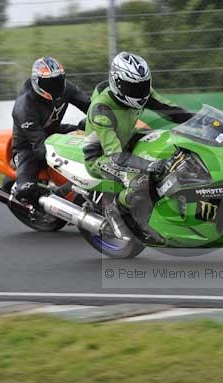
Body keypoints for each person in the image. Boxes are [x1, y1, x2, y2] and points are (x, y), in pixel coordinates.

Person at [83, 51, 194, 241]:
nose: (140, 92)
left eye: (143, 85)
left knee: (171, 145)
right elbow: (115, 156)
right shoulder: (101, 109)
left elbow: (171, 111)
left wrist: (199, 122)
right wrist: (149, 166)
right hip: (103, 157)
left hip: (128, 140)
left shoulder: (141, 92)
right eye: (133, 87)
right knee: (141, 181)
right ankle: (117, 211)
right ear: (117, 83)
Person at [11, 56, 91, 202]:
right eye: (48, 83)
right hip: (29, 146)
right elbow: (40, 146)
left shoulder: (66, 88)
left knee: (87, 130)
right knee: (25, 191)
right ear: (36, 82)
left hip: (55, 132)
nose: (54, 86)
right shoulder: (24, 107)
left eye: (58, 80)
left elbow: (90, 106)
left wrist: (102, 120)